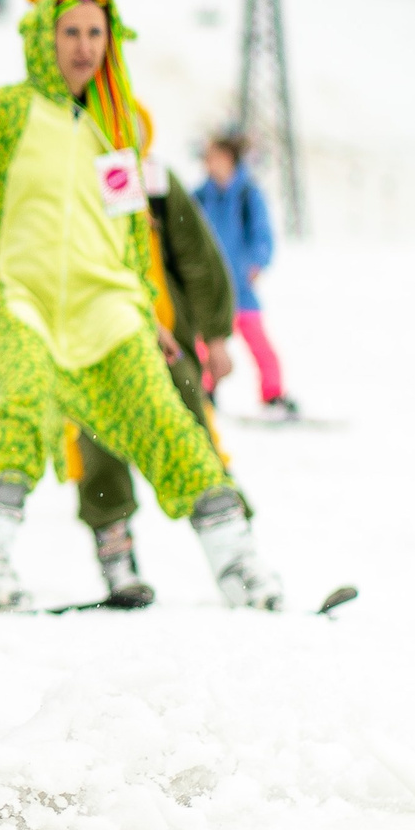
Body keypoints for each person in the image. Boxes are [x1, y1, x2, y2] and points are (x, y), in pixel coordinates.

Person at [0, 0, 283, 612]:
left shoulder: (120, 126)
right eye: (70, 31)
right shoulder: (9, 112)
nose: (83, 46)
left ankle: (238, 564)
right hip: (19, 296)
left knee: (167, 419)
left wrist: (148, 306)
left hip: (107, 306)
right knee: (25, 401)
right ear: (45, 36)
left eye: (94, 33)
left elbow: (130, 227)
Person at [68, 158, 240, 607]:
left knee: (194, 440)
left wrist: (216, 334)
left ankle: (239, 556)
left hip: (167, 344)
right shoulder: (59, 168)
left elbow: (198, 259)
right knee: (96, 446)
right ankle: (118, 562)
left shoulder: (153, 180)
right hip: (89, 343)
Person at [195, 134, 295, 418]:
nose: (208, 163)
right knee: (204, 346)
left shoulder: (248, 194)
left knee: (260, 345)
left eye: (213, 156)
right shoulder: (200, 196)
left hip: (241, 288)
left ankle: (273, 394)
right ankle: (205, 393)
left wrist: (255, 264)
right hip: (210, 289)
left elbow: (263, 236)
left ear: (229, 158)